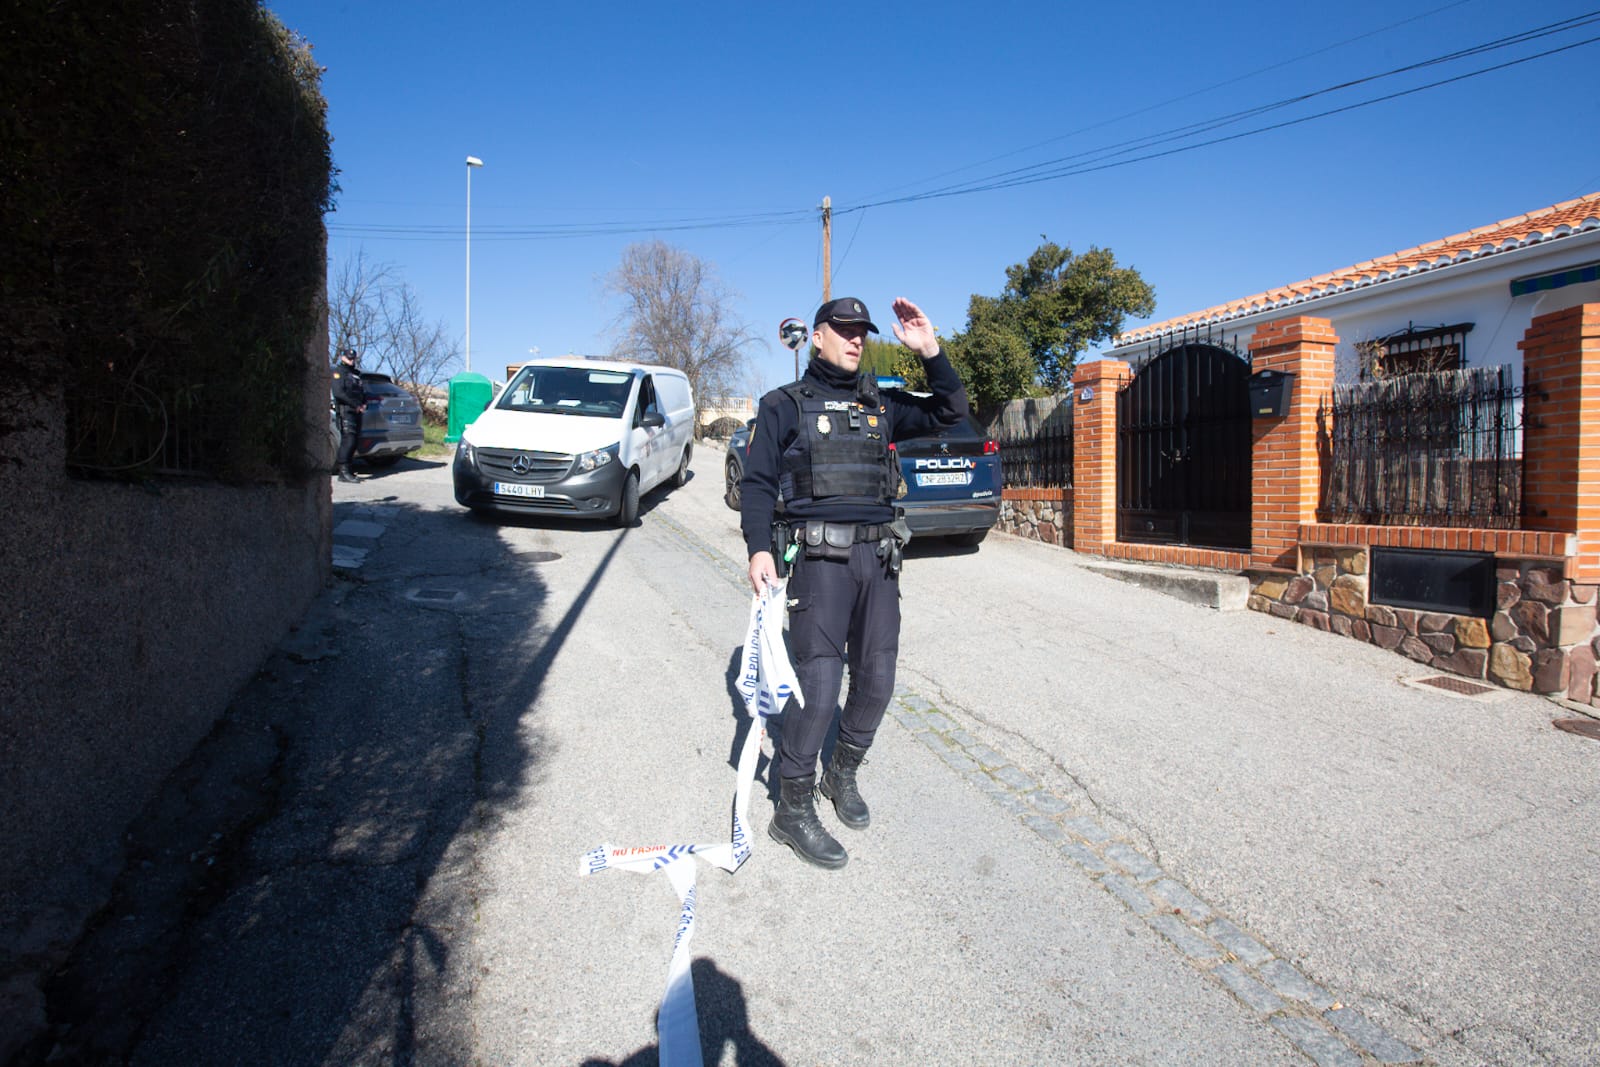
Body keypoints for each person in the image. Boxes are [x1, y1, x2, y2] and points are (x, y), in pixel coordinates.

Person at [741, 296, 970, 869]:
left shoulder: (882, 404)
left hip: (880, 560)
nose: (855, 339)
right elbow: (758, 484)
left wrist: (930, 351)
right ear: (816, 336)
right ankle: (790, 807)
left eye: (861, 332)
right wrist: (759, 549)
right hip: (819, 563)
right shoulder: (783, 405)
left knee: (879, 679)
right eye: (842, 330)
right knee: (818, 689)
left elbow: (952, 412)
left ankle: (840, 773)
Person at [332, 345, 366, 483]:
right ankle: (343, 472)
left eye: (353, 358)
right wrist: (355, 405)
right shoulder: (338, 372)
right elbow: (339, 393)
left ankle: (349, 469)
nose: (351, 361)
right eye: (349, 358)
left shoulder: (356, 374)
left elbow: (361, 392)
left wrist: (363, 404)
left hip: (357, 411)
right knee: (348, 440)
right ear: (343, 357)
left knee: (355, 441)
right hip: (346, 410)